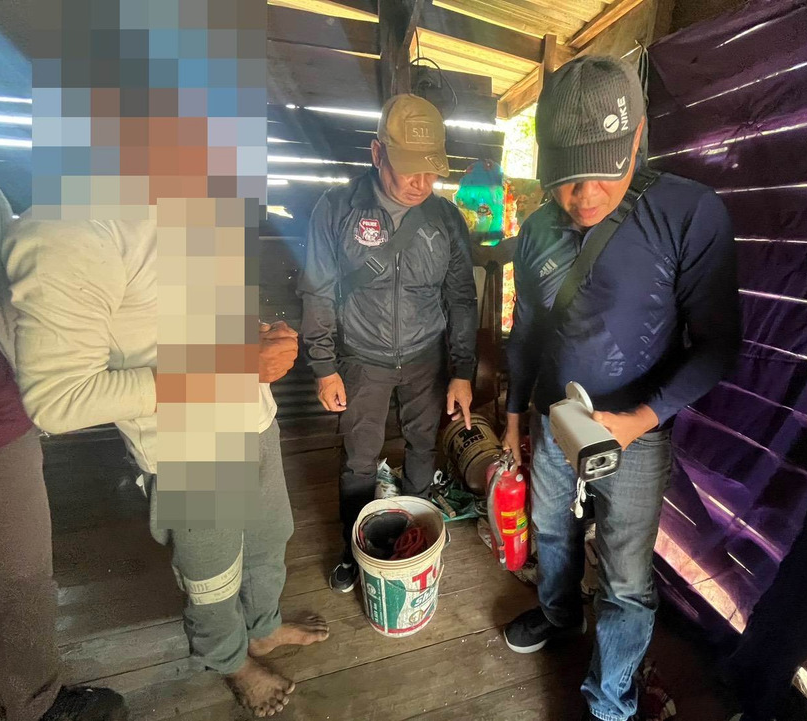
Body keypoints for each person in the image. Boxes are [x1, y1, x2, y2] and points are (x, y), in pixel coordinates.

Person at [0, 209, 328, 719]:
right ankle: (230, 660)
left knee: (269, 535)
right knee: (213, 574)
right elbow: (60, 399)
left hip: (253, 415)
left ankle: (261, 629)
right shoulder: (67, 228)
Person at [501, 56, 741, 721]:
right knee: (550, 531)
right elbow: (526, 330)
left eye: (603, 170)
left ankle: (609, 703)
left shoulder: (687, 213)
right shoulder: (538, 230)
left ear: (636, 137)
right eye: (567, 176)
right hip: (555, 419)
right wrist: (516, 413)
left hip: (636, 433)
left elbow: (718, 345)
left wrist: (641, 418)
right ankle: (560, 616)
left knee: (627, 576)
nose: (584, 195)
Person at [297, 94, 478, 593]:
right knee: (359, 457)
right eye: (409, 168)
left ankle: (411, 537)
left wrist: (462, 371)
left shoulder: (444, 218)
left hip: (426, 357)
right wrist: (324, 367)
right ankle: (354, 549)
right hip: (362, 358)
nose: (422, 182)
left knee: (423, 446)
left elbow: (462, 299)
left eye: (431, 170)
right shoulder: (338, 209)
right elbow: (317, 291)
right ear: (377, 154)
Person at [0, 186, 128, 721]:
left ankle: (25, 697)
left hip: (4, 411)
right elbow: (63, 402)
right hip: (4, 415)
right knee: (19, 574)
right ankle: (30, 703)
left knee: (18, 571)